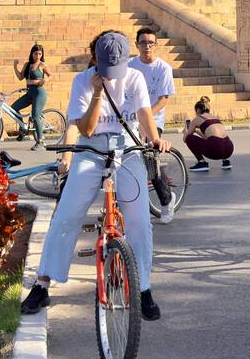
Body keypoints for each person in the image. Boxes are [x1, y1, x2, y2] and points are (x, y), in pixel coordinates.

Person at [20, 31, 168, 319]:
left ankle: (144, 288)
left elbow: (144, 115)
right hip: (91, 149)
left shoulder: (135, 78)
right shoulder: (82, 81)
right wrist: (98, 92)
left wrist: (154, 139)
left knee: (139, 220)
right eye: (107, 69)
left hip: (126, 149)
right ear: (97, 60)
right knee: (68, 214)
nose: (113, 75)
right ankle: (43, 283)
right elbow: (85, 128)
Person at [128, 27, 178, 218]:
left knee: (150, 158)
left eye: (150, 43)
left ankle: (166, 200)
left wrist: (144, 118)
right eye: (143, 43)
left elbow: (163, 99)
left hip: (153, 119)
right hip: (131, 119)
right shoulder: (130, 66)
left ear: (156, 45)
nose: (147, 46)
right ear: (137, 45)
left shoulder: (163, 68)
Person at [12, 44, 50, 148]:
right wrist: (15, 66)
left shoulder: (42, 65)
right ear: (31, 53)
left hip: (39, 93)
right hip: (30, 93)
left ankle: (40, 141)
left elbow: (50, 75)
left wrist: (45, 79)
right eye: (35, 53)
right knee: (14, 108)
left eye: (40, 54)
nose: (37, 56)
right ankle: (22, 128)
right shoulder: (27, 65)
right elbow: (20, 77)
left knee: (35, 116)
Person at [182, 96, 234, 172]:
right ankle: (226, 162)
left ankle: (201, 162)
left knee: (189, 138)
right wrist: (196, 131)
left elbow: (185, 139)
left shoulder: (198, 119)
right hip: (229, 149)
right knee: (218, 139)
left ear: (198, 110)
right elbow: (209, 138)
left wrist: (185, 132)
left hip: (215, 150)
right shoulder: (215, 117)